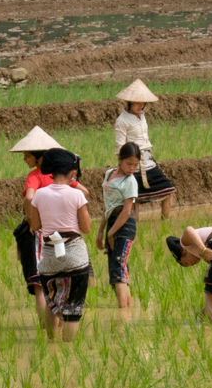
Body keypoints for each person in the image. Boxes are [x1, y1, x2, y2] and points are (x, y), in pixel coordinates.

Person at [28, 147, 92, 341]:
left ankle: (51, 343)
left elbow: (36, 225)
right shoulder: (76, 195)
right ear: (72, 173)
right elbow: (86, 228)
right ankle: (67, 351)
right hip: (74, 255)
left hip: (49, 256)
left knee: (51, 303)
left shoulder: (39, 195)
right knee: (72, 308)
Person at [9, 126, 64, 322]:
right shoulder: (59, 174)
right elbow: (82, 193)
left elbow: (29, 198)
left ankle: (44, 327)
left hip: (42, 232)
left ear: (38, 156)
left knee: (40, 284)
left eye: (27, 155)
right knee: (58, 281)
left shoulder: (35, 176)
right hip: (61, 231)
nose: (25, 159)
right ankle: (57, 325)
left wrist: (32, 221)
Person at [115, 80, 174, 219]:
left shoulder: (142, 116)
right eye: (137, 103)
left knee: (169, 190)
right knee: (133, 197)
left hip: (148, 160)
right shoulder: (122, 120)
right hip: (133, 162)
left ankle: (165, 222)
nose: (141, 106)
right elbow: (119, 147)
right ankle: (134, 226)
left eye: (143, 103)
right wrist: (122, 167)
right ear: (129, 102)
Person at [100, 143, 142, 311]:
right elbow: (107, 206)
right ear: (119, 159)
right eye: (129, 164)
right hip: (112, 222)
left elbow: (126, 211)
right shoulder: (109, 174)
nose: (132, 168)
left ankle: (123, 315)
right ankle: (128, 309)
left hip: (124, 225)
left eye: (135, 165)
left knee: (118, 270)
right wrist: (101, 231)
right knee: (118, 268)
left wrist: (111, 232)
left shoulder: (130, 181)